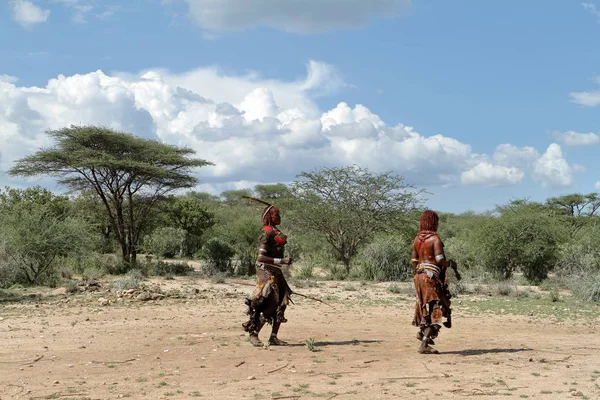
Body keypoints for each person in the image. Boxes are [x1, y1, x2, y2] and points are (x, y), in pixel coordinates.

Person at [242, 198, 294, 347]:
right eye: (277, 215)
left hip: (275, 270)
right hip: (265, 269)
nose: (279, 217)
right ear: (269, 217)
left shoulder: (275, 232)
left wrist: (281, 263)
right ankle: (254, 334)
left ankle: (273, 337)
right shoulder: (266, 233)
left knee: (282, 301)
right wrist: (282, 261)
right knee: (268, 302)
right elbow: (261, 257)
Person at [410, 210, 459, 354]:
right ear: (433, 222)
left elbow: (414, 260)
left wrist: (416, 274)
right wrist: (450, 264)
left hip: (419, 276)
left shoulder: (417, 239)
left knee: (425, 307)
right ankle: (424, 344)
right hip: (430, 278)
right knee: (437, 308)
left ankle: (423, 332)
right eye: (436, 221)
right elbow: (439, 260)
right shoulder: (435, 238)